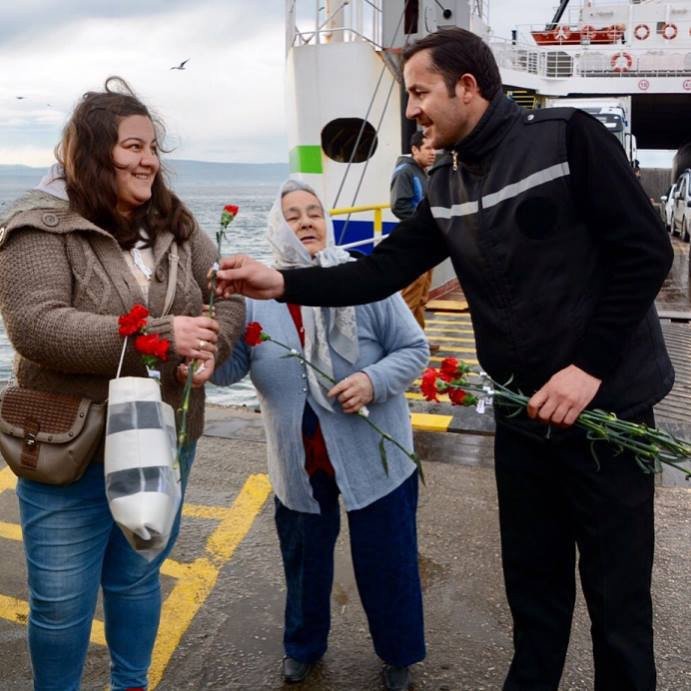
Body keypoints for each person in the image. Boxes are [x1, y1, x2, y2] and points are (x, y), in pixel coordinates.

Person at [214, 27, 674, 691]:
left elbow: (644, 253)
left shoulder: (566, 138)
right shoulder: (447, 183)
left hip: (607, 410)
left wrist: (587, 369)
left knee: (617, 601)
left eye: (420, 91)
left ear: (467, 86)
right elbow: (378, 271)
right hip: (523, 421)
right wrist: (280, 282)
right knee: (533, 594)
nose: (410, 109)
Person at [0, 77, 244, 691]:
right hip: (67, 444)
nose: (149, 160)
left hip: (163, 437)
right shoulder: (37, 227)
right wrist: (162, 333)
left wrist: (211, 347)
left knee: (136, 578)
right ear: (91, 152)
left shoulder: (176, 225)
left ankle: (130, 685)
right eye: (133, 146)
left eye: (154, 147)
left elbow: (224, 295)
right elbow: (36, 326)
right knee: (58, 601)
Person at [212, 180, 428, 691]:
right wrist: (202, 352)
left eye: (314, 212)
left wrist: (373, 382)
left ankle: (398, 653)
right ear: (276, 228)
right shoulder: (257, 298)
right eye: (293, 215)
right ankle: (303, 646)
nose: (306, 221)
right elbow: (232, 369)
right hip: (298, 460)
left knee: (387, 559)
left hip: (373, 454)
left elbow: (414, 348)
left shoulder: (360, 280)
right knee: (305, 563)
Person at [390, 131, 438, 338]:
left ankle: (419, 339)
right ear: (414, 149)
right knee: (410, 296)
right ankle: (404, 342)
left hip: (426, 242)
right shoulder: (405, 172)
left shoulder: (421, 171)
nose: (433, 153)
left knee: (421, 296)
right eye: (428, 148)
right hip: (414, 242)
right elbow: (399, 205)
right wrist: (423, 223)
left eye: (434, 148)